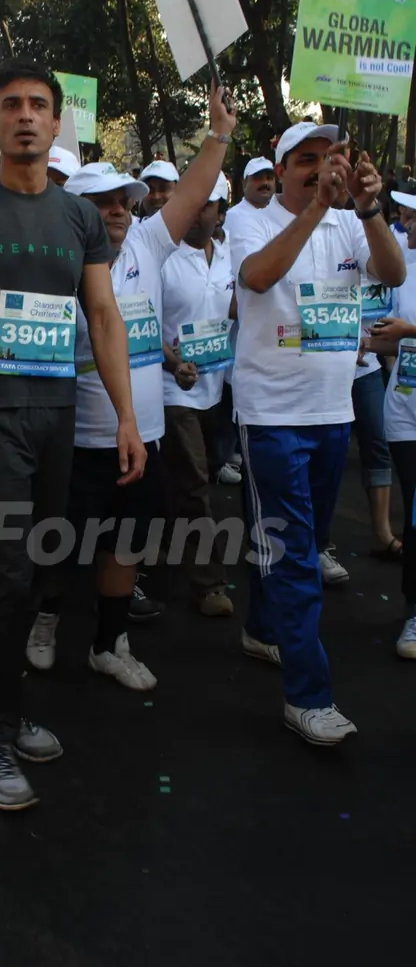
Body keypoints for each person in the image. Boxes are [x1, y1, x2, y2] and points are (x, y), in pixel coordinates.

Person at [0, 59, 145, 811]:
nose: (26, 116)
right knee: (5, 573)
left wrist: (128, 415)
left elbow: (103, 317)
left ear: (55, 121)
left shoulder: (78, 216)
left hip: (58, 416)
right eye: (10, 104)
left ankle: (4, 705)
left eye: (39, 105)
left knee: (39, 564)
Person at [27, 101, 236, 684]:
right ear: (77, 212)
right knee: (62, 545)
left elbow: (193, 193)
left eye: (124, 200)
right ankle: (45, 619)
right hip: (75, 438)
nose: (117, 209)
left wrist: (218, 132)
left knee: (126, 544)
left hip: (143, 437)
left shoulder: (147, 245)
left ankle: (108, 642)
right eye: (102, 202)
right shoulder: (51, 263)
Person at [230, 122, 405, 745]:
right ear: (280, 172)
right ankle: (308, 696)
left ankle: (259, 627)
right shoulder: (247, 219)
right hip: (272, 417)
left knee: (288, 540)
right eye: (305, 161)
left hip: (334, 415)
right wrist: (316, 209)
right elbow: (256, 277)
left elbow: (392, 272)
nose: (319, 168)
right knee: (296, 556)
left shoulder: (353, 221)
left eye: (330, 158)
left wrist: (370, 209)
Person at [159, 170, 235, 616]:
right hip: (172, 390)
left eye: (206, 204)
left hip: (215, 387)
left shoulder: (228, 257)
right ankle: (208, 583)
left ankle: (163, 549)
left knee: (192, 478)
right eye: (192, 201)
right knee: (194, 483)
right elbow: (144, 322)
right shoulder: (163, 258)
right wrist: (174, 363)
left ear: (220, 212)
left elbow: (235, 309)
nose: (195, 211)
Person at [369, 217, 416, 656]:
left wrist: (410, 333)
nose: (408, 226)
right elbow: (390, 340)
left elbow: (405, 334)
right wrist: (358, 341)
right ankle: (414, 612)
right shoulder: (403, 267)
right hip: (404, 412)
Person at [223, 157, 275, 241]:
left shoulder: (279, 214)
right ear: (244, 184)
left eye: (269, 178)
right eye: (258, 178)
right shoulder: (234, 217)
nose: (265, 183)